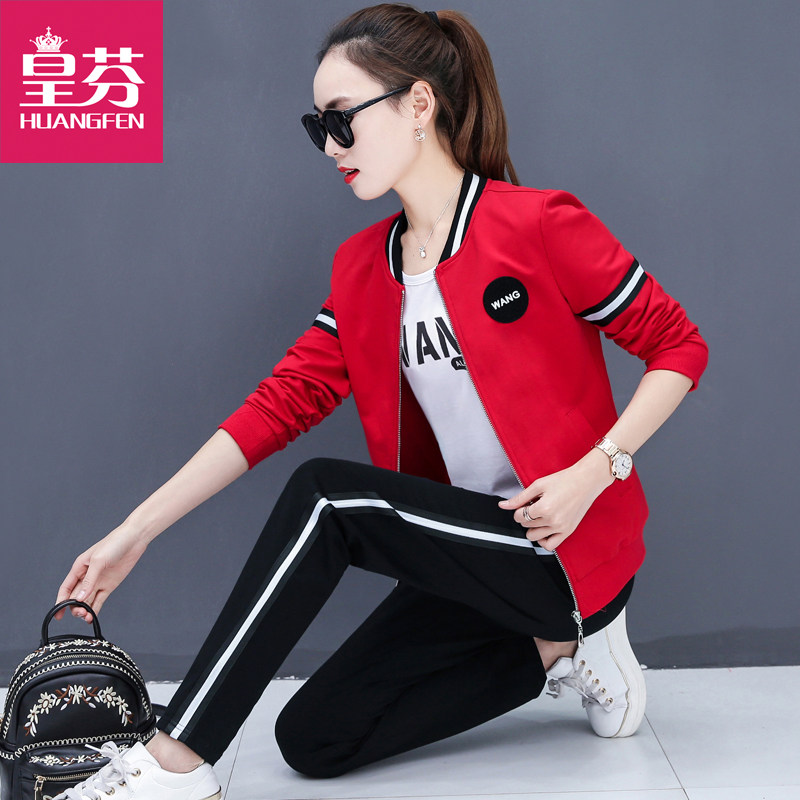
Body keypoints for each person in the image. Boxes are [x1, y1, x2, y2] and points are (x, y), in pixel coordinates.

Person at [54, 5, 708, 799]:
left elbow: (679, 347)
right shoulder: (365, 269)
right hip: (466, 554)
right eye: (316, 127)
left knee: (329, 497)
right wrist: (136, 531)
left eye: (342, 119)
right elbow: (279, 405)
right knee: (313, 738)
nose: (331, 146)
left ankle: (177, 758)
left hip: (562, 538)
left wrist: (594, 471)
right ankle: (557, 650)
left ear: (418, 104)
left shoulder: (537, 225)